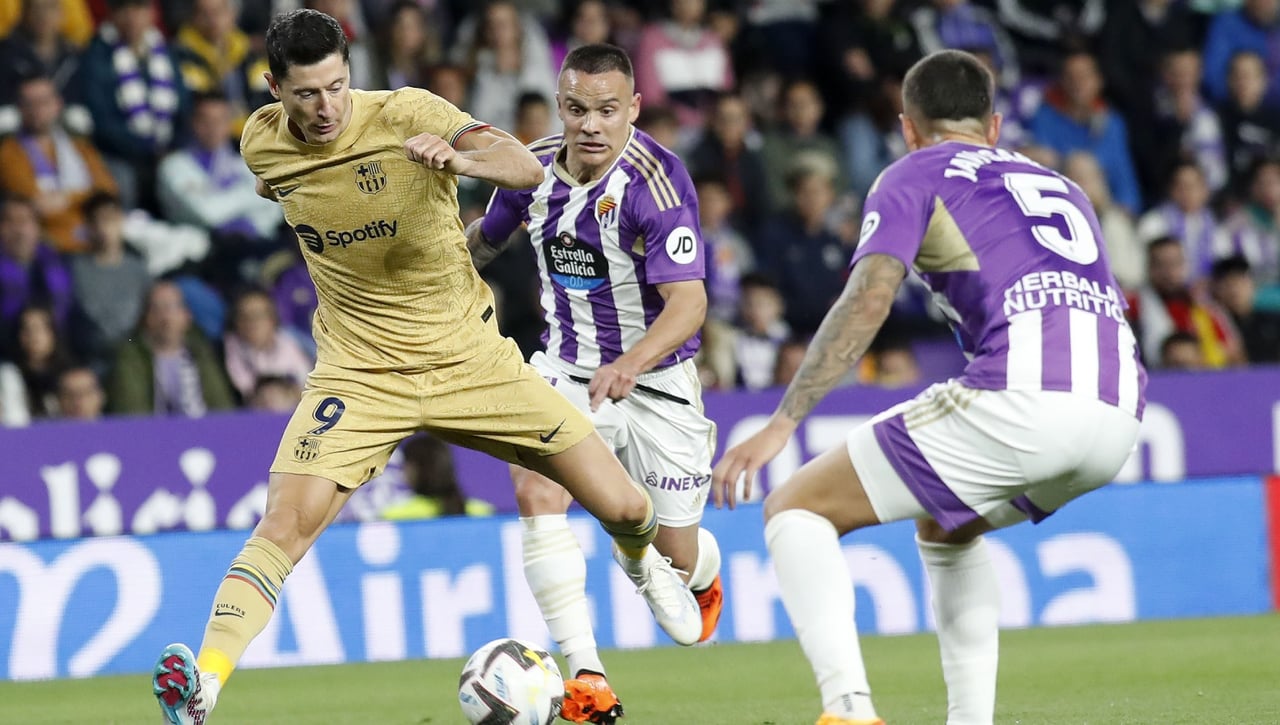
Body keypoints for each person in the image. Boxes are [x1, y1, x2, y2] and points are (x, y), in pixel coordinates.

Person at [151, 13, 701, 725]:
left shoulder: (409, 111)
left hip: (472, 362)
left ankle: (641, 565)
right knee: (286, 522)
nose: (326, 109)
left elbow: (526, 166)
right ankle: (205, 688)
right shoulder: (261, 141)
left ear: (352, 71)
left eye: (337, 87)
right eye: (307, 94)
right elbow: (284, 185)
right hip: (360, 375)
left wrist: (459, 161)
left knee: (625, 506)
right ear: (273, 88)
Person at [711, 50, 1148, 725]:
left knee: (796, 509)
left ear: (908, 128)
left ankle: (848, 710)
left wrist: (782, 421)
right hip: (1119, 412)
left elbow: (868, 300)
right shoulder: (1067, 188)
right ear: (994, 126)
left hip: (1023, 396)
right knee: (948, 522)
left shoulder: (912, 172)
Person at [469, 43, 721, 724]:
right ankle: (586, 678)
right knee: (535, 485)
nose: (591, 125)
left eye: (608, 110)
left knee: (677, 558)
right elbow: (484, 242)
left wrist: (631, 363)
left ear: (633, 109)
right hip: (564, 369)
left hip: (657, 382)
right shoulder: (529, 169)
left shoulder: (657, 183)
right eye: (578, 108)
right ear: (561, 105)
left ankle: (678, 565)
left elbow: (690, 304)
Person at [380, 432, 496, 519]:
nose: (402, 472)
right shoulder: (484, 512)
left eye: (405, 465)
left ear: (415, 469)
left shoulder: (396, 517)